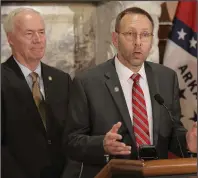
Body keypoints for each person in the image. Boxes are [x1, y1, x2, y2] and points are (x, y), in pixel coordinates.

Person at [64, 7, 197, 178]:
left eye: (145, 35)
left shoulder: (166, 77)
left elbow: (171, 134)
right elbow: (71, 141)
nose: (138, 42)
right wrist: (102, 145)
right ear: (115, 38)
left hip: (157, 173)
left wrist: (187, 141)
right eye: (130, 34)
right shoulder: (88, 82)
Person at [1, 8, 80, 178]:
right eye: (29, 33)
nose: (38, 40)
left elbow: (73, 133)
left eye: (41, 32)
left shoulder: (62, 80)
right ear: (10, 38)